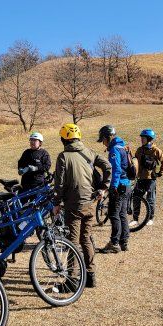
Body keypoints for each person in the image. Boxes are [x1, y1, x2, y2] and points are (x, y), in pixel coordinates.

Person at [52, 123, 111, 288]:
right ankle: (91, 276)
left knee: (72, 241)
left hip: (74, 206)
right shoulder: (89, 152)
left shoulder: (63, 157)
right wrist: (104, 188)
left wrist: (57, 203)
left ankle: (71, 280)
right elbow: (108, 166)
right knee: (85, 239)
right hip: (90, 203)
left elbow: (60, 183)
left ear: (64, 139)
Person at [97, 125, 133, 253]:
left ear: (108, 137)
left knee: (114, 214)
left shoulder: (114, 151)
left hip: (119, 186)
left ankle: (114, 243)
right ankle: (124, 242)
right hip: (127, 185)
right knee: (122, 214)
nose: (103, 143)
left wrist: (113, 187)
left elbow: (116, 170)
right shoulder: (123, 147)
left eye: (103, 140)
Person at [132, 128, 163, 227]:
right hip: (139, 178)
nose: (141, 140)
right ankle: (135, 219)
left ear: (149, 139)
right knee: (136, 198)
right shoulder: (139, 150)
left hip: (150, 179)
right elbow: (134, 161)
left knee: (150, 199)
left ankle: (150, 218)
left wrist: (160, 173)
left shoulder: (156, 150)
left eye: (143, 138)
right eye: (141, 138)